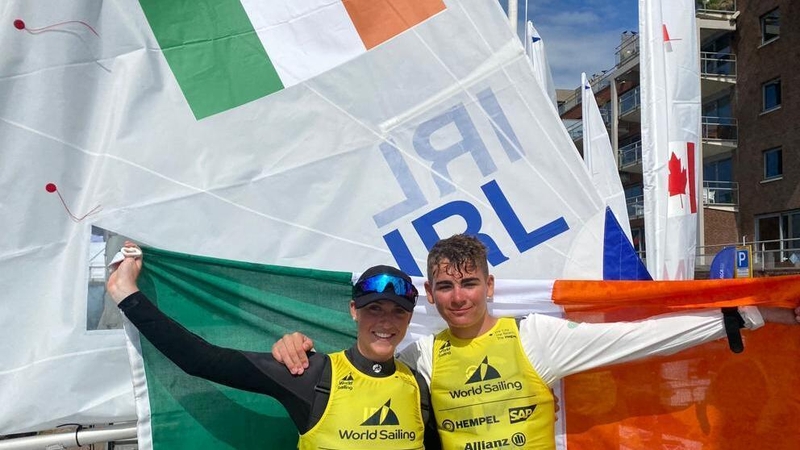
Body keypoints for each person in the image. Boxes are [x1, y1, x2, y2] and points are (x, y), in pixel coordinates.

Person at [272, 233, 800, 450]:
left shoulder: (535, 337)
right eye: (447, 286)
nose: (459, 297)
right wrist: (295, 345)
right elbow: (363, 366)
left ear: (490, 286)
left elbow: (638, 338)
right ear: (431, 295)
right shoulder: (421, 356)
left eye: (470, 283)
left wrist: (750, 313)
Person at [106, 242, 441, 450]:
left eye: (398, 312)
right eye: (374, 309)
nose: (386, 322)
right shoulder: (313, 375)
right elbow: (202, 360)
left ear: (410, 318)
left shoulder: (416, 384)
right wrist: (128, 297)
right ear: (354, 311)